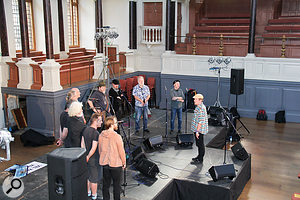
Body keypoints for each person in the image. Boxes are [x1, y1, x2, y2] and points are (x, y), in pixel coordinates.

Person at [98, 116, 126, 200]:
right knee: (117, 186)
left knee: (105, 185)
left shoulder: (101, 135)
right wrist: (124, 162)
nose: (117, 124)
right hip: (116, 165)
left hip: (105, 164)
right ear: (111, 124)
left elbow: (100, 150)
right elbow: (121, 151)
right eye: (116, 123)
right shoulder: (117, 137)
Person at [81, 113, 102, 200]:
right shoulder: (96, 133)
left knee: (88, 176)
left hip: (86, 157)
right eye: (100, 121)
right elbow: (94, 148)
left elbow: (82, 144)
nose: (101, 122)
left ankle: (88, 192)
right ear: (95, 121)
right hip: (93, 159)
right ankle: (94, 195)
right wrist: (88, 156)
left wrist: (84, 155)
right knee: (94, 178)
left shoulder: (85, 130)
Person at [191, 94, 208, 163]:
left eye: (196, 99)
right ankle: (199, 156)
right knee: (198, 144)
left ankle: (200, 159)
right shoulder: (198, 107)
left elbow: (200, 122)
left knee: (200, 144)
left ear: (200, 100)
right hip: (197, 129)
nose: (194, 100)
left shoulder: (201, 109)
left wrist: (197, 131)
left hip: (199, 130)